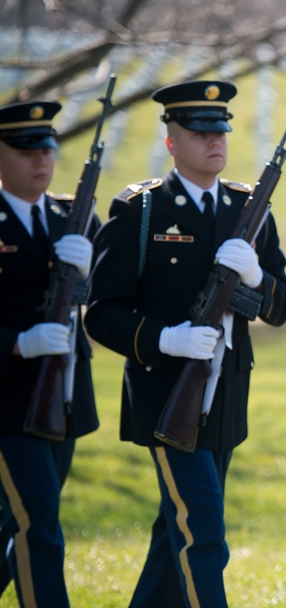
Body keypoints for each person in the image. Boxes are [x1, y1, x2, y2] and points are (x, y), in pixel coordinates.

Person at [84, 80, 286, 607]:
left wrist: (255, 281)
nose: (214, 141)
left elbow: (283, 306)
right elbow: (103, 314)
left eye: (220, 129)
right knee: (201, 525)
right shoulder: (143, 211)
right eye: (199, 132)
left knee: (175, 530)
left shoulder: (250, 210)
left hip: (224, 397)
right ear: (171, 142)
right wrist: (167, 339)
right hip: (164, 397)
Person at [0, 99, 100, 607]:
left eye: (47, 148)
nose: (40, 159)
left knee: (12, 521)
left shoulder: (73, 217)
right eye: (24, 149)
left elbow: (107, 299)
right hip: (7, 402)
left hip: (61, 395)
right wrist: (16, 342)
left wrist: (88, 274)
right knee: (39, 520)